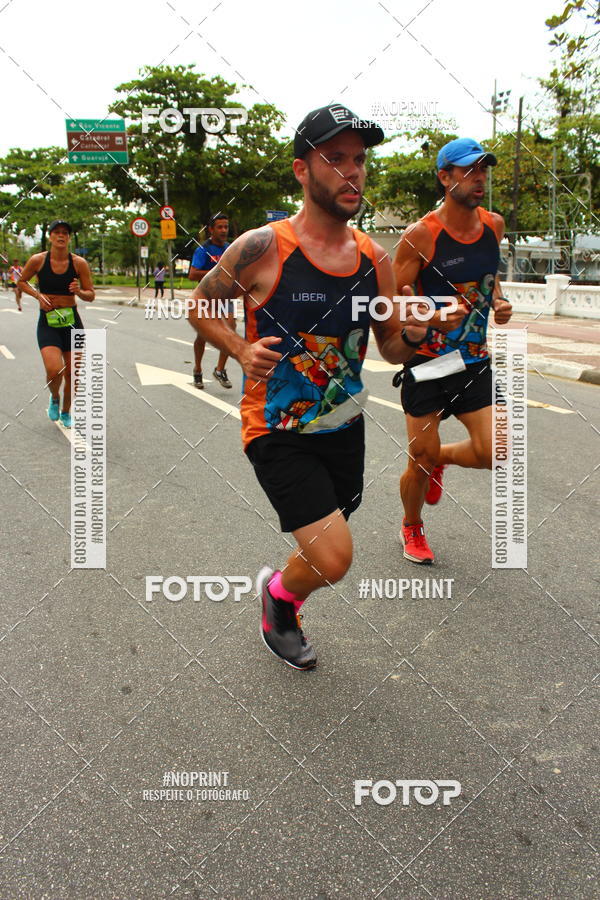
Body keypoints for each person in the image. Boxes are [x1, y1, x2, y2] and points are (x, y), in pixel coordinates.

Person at [189, 104, 464, 670]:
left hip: (345, 425)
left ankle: (290, 576)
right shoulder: (262, 247)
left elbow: (388, 345)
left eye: (359, 160)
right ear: (301, 170)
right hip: (277, 427)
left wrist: (414, 332)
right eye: (334, 159)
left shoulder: (373, 257)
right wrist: (240, 349)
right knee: (335, 557)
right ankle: (279, 602)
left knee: (328, 534)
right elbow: (201, 306)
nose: (352, 172)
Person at [392, 137, 513, 565]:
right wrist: (429, 311)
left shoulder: (493, 225)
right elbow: (391, 302)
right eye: (467, 169)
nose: (478, 177)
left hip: (474, 360)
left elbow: (488, 276)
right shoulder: (420, 235)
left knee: (495, 451)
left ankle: (437, 460)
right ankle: (412, 524)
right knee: (417, 459)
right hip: (427, 364)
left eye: (483, 168)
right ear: (445, 177)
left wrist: (497, 299)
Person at [18, 220, 95, 428]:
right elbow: (21, 281)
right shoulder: (38, 260)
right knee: (54, 370)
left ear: (68, 238)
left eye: (65, 233)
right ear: (50, 237)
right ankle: (54, 397)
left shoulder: (79, 263)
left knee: (73, 374)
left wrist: (79, 291)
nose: (61, 236)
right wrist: (37, 295)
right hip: (48, 323)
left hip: (72, 323)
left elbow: (91, 295)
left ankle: (66, 411)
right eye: (57, 233)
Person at [188, 213, 233, 389]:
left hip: (225, 296)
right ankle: (197, 370)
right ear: (211, 230)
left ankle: (220, 369)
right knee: (203, 335)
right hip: (205, 296)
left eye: (226, 227)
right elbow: (192, 274)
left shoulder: (231, 249)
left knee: (230, 329)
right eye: (220, 227)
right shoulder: (202, 250)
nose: (223, 230)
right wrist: (217, 270)